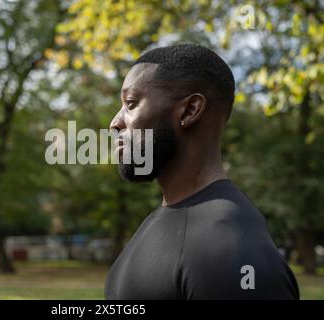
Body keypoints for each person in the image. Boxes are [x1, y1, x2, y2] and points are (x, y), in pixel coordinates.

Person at [105, 43, 300, 300]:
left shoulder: (229, 244)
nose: (115, 123)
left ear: (190, 110)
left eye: (131, 103)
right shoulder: (164, 219)